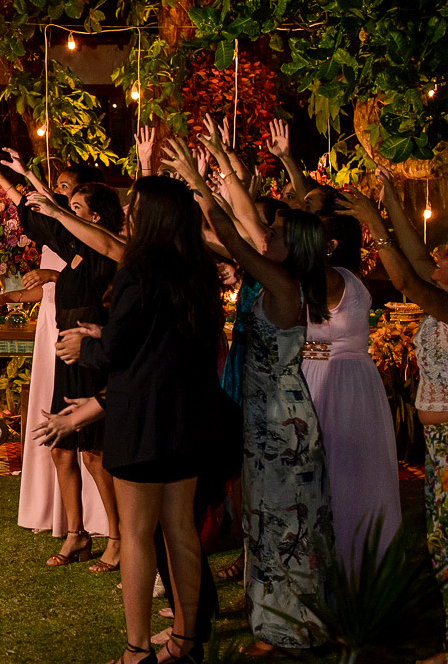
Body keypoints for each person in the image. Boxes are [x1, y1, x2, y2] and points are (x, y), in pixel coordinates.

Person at [38, 175, 226, 664]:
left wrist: (85, 346)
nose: (129, 215)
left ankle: (136, 650)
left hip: (142, 417)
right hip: (186, 416)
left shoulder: (139, 270)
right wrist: (104, 334)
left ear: (153, 216)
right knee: (180, 528)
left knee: (139, 534)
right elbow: (166, 343)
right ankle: (186, 641)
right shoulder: (197, 269)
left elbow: (120, 352)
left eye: (135, 207)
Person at [164, 138, 332, 657]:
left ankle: (291, 628)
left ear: (293, 248)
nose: (268, 235)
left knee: (285, 523)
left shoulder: (283, 285)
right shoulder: (278, 280)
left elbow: (235, 241)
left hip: (282, 421)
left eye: (276, 234)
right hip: (263, 415)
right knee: (263, 520)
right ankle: (272, 621)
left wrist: (199, 184)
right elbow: (240, 234)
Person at [339, 176, 448, 664]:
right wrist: (389, 197)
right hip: (443, 447)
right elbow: (416, 258)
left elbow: (407, 282)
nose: (439, 251)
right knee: (445, 546)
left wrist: (375, 227)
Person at [18, 173, 126, 573]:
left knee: (95, 454)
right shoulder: (73, 248)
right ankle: (76, 533)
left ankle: (117, 537)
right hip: (67, 355)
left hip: (92, 356)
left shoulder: (107, 254)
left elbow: (60, 226)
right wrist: (13, 182)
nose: (68, 214)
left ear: (95, 216)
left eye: (76, 208)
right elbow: (42, 222)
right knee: (60, 448)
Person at [303, 211, 401, 575]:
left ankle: (343, 566)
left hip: (333, 381)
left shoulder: (331, 278)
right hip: (354, 380)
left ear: (329, 246)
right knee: (355, 472)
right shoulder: (350, 278)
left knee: (339, 472)